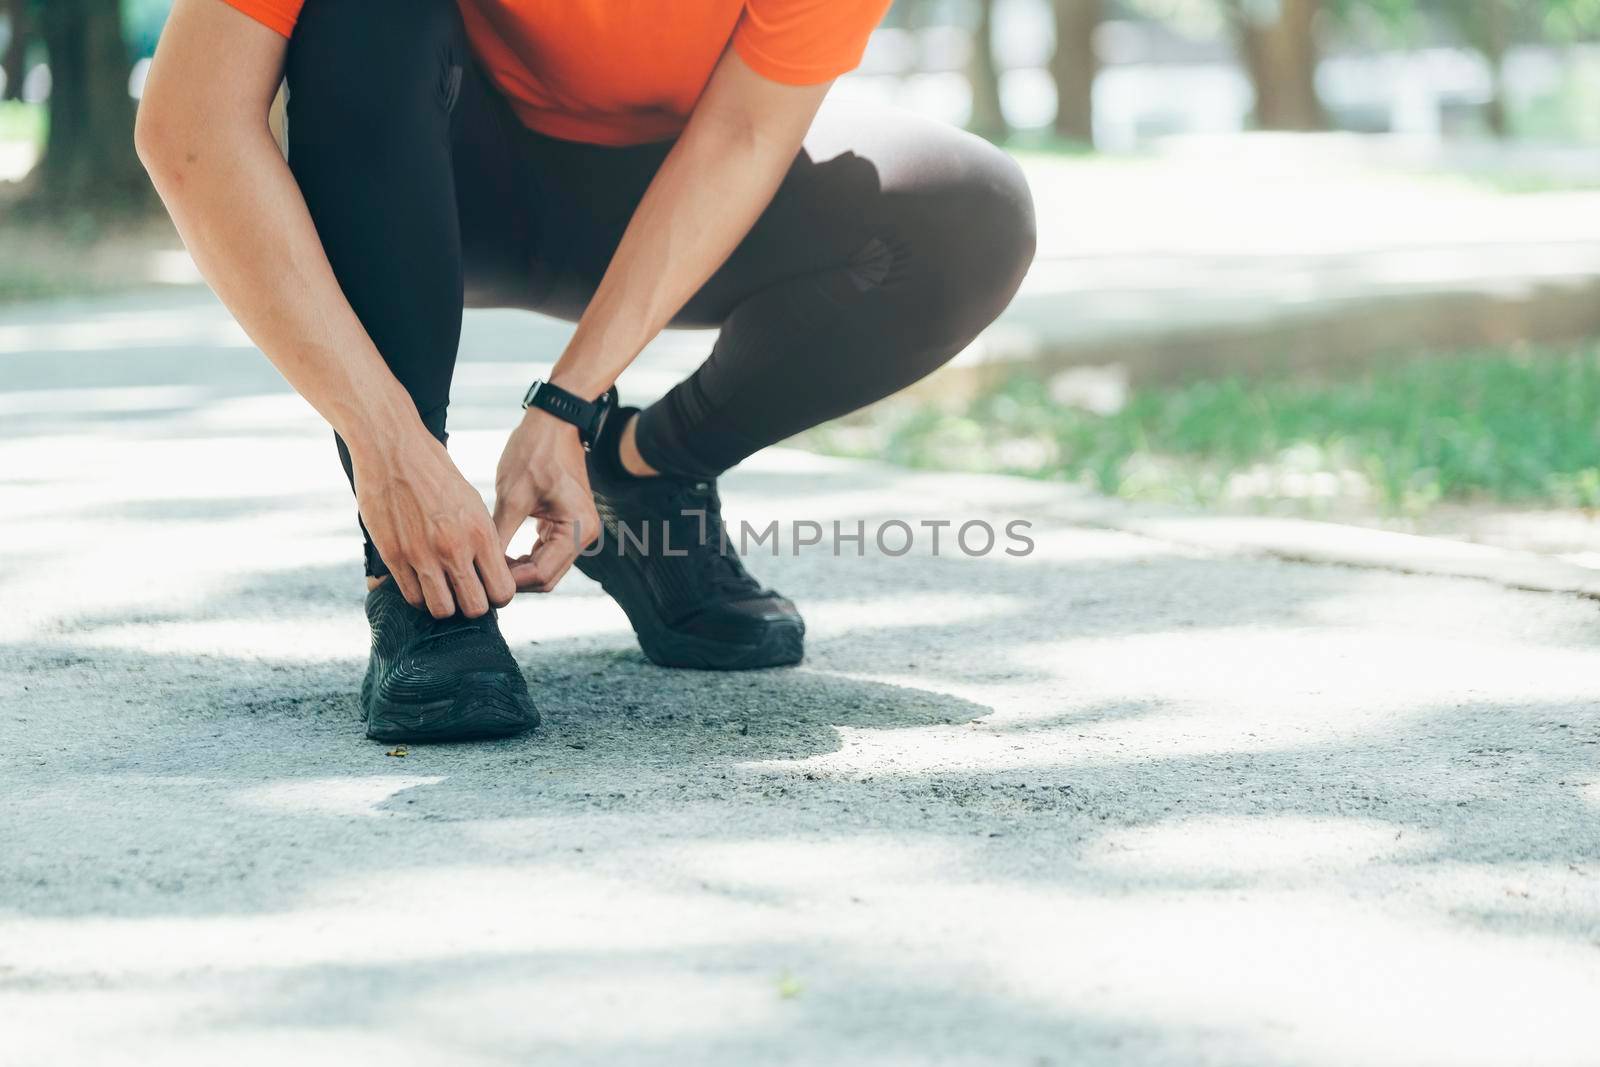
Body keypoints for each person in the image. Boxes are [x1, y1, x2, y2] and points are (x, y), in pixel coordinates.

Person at [136, 0, 1036, 743]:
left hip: (667, 179)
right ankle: (420, 585)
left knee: (968, 216)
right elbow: (191, 126)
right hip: (433, 167)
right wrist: (391, 450)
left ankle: (642, 477)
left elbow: (745, 135)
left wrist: (567, 407)